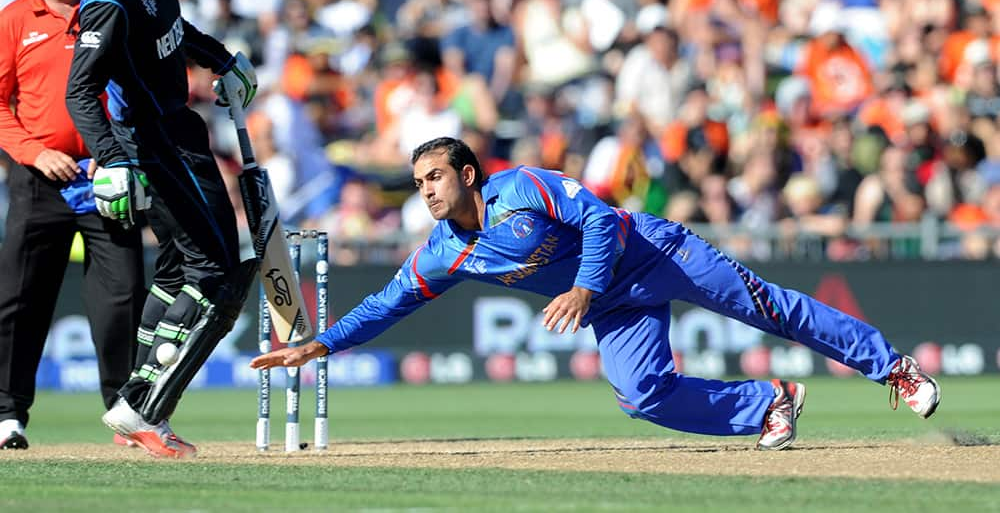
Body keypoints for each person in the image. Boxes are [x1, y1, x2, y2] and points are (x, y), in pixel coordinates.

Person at [253, 137, 942, 451]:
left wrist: (582, 286)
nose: (426, 190)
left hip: (654, 254)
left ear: (467, 174)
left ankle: (893, 367)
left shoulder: (519, 187)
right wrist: (320, 343)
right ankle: (770, 404)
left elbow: (600, 219)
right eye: (418, 182)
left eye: (435, 176)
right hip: (615, 303)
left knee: (770, 309)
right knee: (641, 396)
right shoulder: (443, 252)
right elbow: (385, 305)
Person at [64, 0, 258, 459]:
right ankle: (144, 408)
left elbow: (174, 39)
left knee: (178, 269)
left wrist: (222, 58)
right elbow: (80, 91)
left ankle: (137, 401)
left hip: (178, 132)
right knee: (218, 273)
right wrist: (114, 159)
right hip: (152, 142)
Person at [0, 0, 146, 451]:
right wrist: (35, 153)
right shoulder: (15, 19)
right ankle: (8, 415)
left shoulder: (107, 7)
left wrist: (123, 154)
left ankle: (126, 411)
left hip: (108, 176)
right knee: (18, 300)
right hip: (40, 179)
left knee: (122, 295)